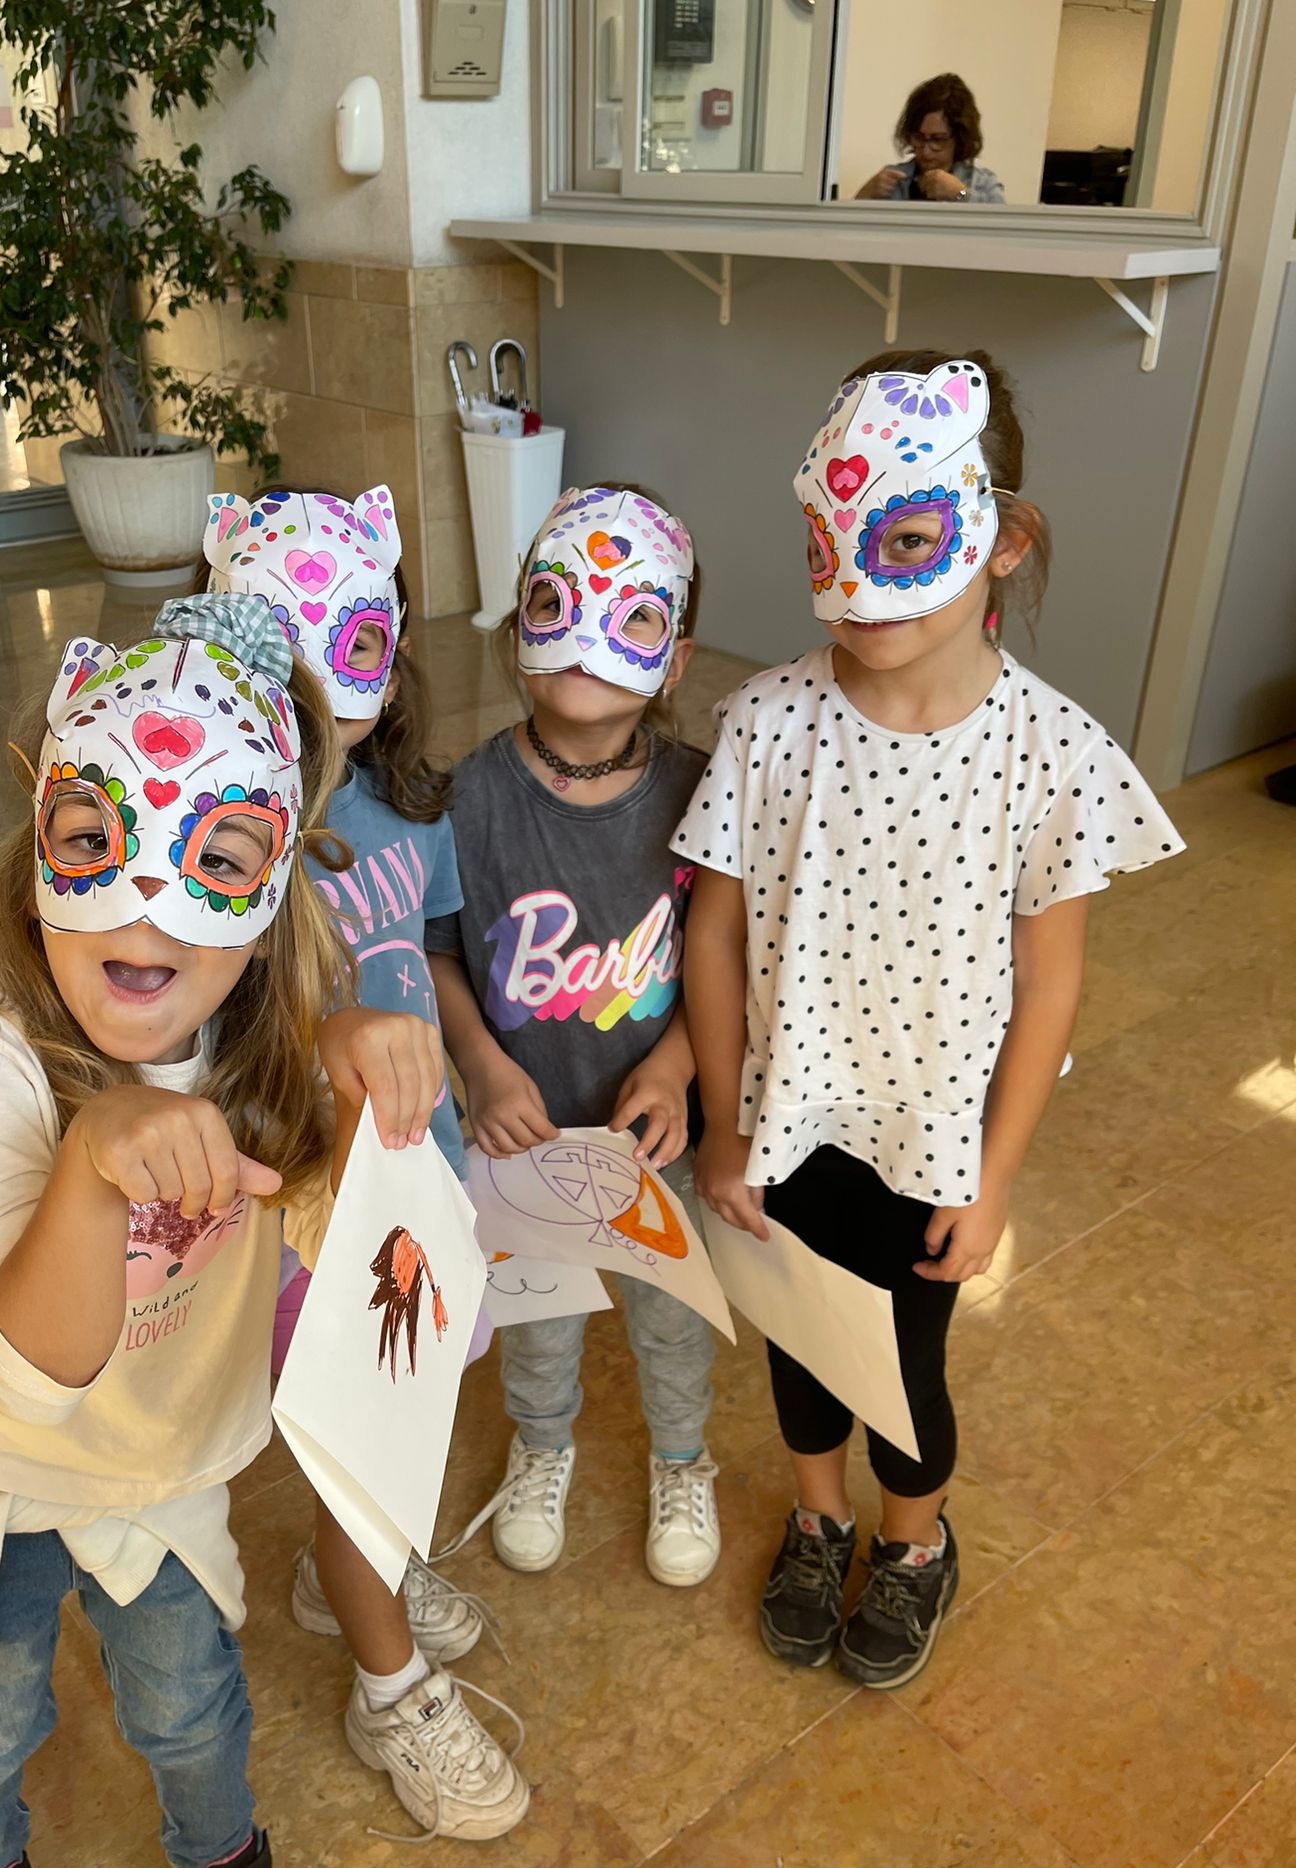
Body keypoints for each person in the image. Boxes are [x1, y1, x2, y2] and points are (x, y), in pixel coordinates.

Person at [0, 594, 444, 1868]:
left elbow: (360, 1250)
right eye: (97, 844)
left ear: (274, 884)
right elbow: (27, 1371)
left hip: (151, 1473)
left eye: (216, 860)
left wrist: (364, 1088)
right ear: (43, 844)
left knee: (189, 1708)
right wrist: (94, 1159)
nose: (145, 905)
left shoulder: (266, 1045)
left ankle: (223, 1864)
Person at [678, 351, 1183, 1689]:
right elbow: (714, 932)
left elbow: (1053, 985)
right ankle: (816, 1514)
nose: (862, 584)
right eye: (828, 542)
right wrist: (724, 1130)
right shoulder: (769, 725)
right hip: (788, 1126)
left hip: (930, 1140)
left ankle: (912, 1540)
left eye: (905, 539)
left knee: (903, 1363)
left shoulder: (1053, 756)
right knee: (799, 1349)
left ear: (1000, 538)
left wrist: (996, 1174)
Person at [203, 486, 530, 1844]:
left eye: (349, 645)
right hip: (310, 1214)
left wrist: (489, 1065)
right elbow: (192, 1035)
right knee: (364, 1442)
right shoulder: (222, 847)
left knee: (412, 1423)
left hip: (426, 1171)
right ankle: (386, 1683)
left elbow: (436, 959)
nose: (321, 689)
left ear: (391, 650)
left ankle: (355, 1574)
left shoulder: (414, 808)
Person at [427, 484, 723, 1590]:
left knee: (668, 1310)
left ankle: (681, 1456)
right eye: (557, 599)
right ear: (517, 633)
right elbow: (441, 949)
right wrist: (483, 1061)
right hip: (524, 1129)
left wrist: (681, 1057)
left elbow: (721, 956)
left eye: (634, 616)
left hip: (657, 1132)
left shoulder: (701, 796)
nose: (590, 636)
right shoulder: (467, 799)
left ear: (677, 658)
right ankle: (543, 1441)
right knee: (539, 1310)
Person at [855, 74, 1005, 204]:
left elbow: (1003, 226)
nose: (926, 151)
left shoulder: (983, 183)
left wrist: (959, 194)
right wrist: (865, 193)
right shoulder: (892, 181)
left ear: (959, 138)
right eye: (919, 138)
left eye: (938, 139)